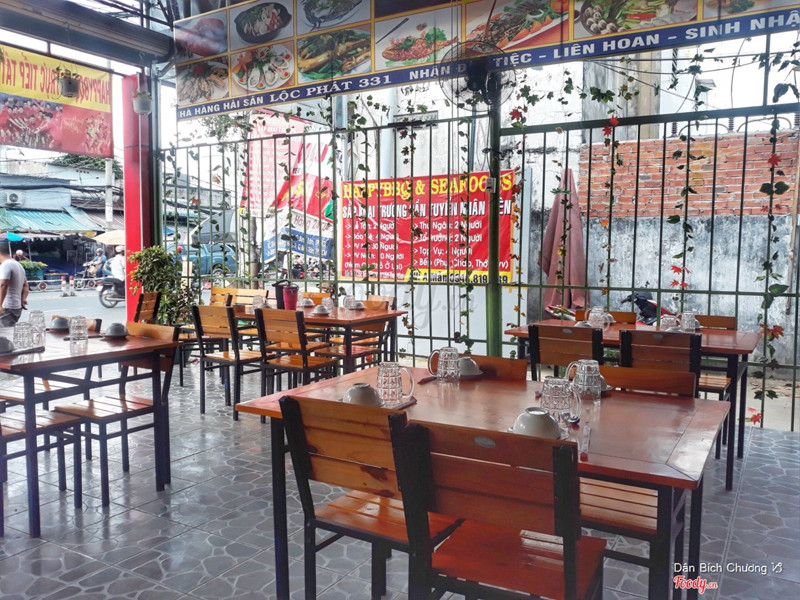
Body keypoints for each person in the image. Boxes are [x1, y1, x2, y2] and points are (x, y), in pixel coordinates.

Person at [0, 246, 29, 326]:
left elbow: (3, 285)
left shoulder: (5, 265)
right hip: (16, 307)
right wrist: (23, 299)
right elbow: (25, 285)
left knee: (5, 332)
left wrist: (0, 305)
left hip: (7, 307)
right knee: (10, 331)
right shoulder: (18, 265)